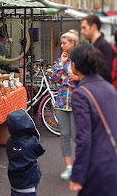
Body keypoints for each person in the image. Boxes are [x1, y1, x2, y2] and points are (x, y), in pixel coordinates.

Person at [69, 43, 117, 195]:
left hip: (96, 168)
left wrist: (77, 175)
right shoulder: (110, 88)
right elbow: (116, 130)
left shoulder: (81, 94)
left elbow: (83, 139)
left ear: (75, 65)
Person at [51, 30, 79, 180]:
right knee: (65, 136)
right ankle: (69, 167)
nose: (61, 46)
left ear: (72, 43)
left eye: (64, 43)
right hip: (61, 102)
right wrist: (61, 63)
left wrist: (69, 78)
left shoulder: (80, 59)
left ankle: (81, 165)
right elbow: (54, 78)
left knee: (77, 136)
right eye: (61, 43)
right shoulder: (62, 60)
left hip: (77, 103)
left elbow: (80, 78)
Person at [6, 109, 46, 196]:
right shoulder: (31, 142)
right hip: (29, 179)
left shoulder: (9, 142)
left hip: (14, 180)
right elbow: (40, 150)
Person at [80, 15, 113, 83]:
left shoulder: (104, 46)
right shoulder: (92, 45)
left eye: (84, 28)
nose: (82, 31)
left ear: (94, 27)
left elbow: (106, 73)